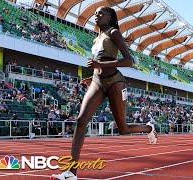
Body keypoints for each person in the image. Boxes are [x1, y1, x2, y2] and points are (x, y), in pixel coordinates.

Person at [52, 6, 157, 180]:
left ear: (110, 17)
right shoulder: (96, 39)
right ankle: (71, 172)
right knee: (80, 121)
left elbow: (129, 61)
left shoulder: (113, 32)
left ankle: (148, 127)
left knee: (123, 129)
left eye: (101, 13)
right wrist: (92, 75)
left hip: (116, 82)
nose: (96, 15)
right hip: (97, 82)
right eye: (95, 13)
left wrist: (100, 66)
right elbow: (99, 62)